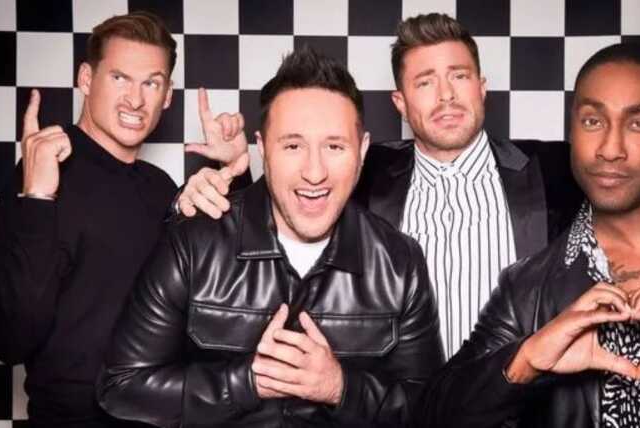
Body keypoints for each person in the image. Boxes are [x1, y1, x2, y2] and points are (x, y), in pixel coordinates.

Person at [176, 13, 582, 356]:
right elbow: (284, 215)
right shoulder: (361, 170)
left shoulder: (555, 171)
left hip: (518, 405)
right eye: (425, 82)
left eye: (459, 76)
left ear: (482, 87)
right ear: (400, 102)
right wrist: (232, 176)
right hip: (397, 404)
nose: (445, 95)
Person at [96, 47, 443, 427]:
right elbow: (121, 386)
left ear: (361, 151)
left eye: (334, 146)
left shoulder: (399, 262)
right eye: (293, 146)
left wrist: (340, 388)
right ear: (263, 149)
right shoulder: (193, 243)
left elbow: (429, 409)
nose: (314, 172)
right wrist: (247, 382)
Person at [416, 43, 640, 428]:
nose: (610, 149)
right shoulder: (528, 288)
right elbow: (433, 414)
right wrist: (526, 362)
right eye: (593, 121)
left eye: (639, 123)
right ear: (572, 128)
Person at [0, 12, 247, 427]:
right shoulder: (42, 170)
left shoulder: (160, 188)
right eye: (120, 78)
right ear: (86, 79)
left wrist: (235, 174)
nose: (135, 100)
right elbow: (10, 341)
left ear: (167, 96)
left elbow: (226, 294)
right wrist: (36, 197)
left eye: (151, 83)